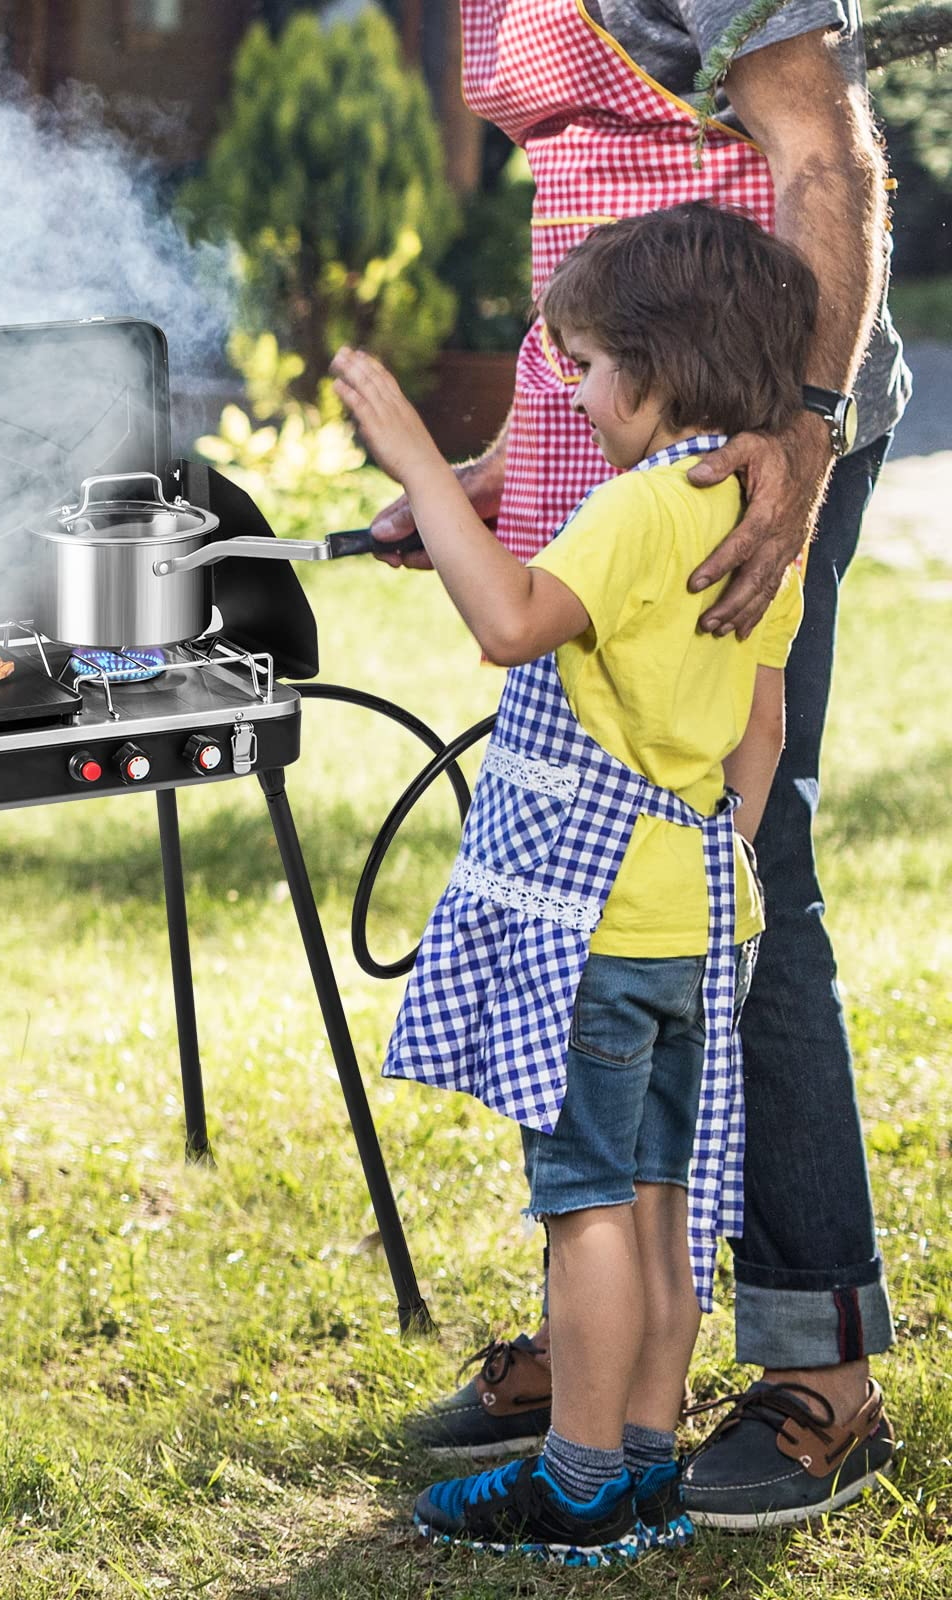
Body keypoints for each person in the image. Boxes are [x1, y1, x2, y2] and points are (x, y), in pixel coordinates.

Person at [379, 0, 907, 1528]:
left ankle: (821, 1371)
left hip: (755, 426)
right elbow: (608, 171)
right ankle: (601, 1343)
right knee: (600, 897)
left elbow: (820, 157)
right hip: (634, 423)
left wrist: (796, 444)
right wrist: (506, 471)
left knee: (754, 881)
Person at [331, 200, 823, 1562]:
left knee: (585, 1207)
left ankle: (580, 1475)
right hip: (695, 919)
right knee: (663, 1198)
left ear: (657, 372)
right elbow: (758, 732)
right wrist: (707, 844)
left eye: (592, 366)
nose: (580, 394)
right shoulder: (748, 520)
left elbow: (508, 623)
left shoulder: (639, 507)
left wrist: (423, 460)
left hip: (596, 934)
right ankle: (651, 1464)